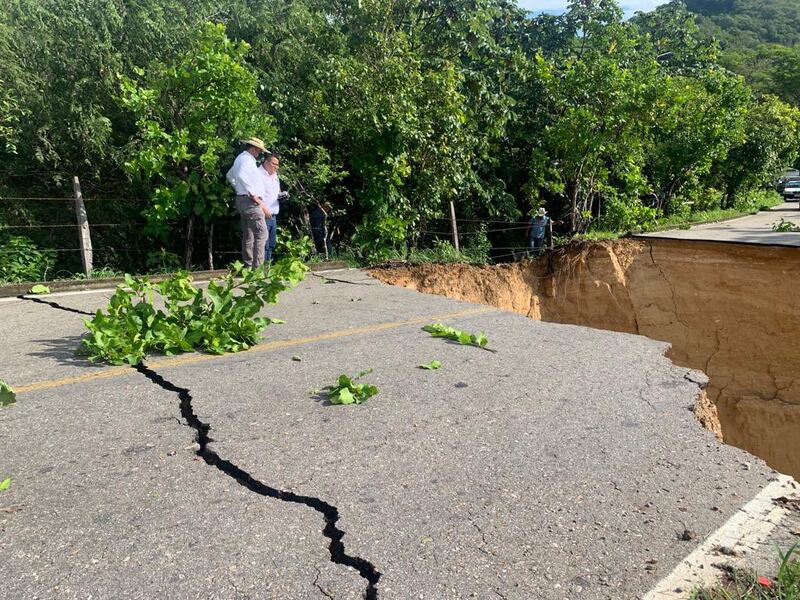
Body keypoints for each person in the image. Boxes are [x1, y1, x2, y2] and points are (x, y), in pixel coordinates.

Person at [226, 138, 269, 268]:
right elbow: (241, 176)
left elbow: (230, 175)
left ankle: (249, 265)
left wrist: (239, 189)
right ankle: (257, 267)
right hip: (250, 200)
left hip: (243, 198)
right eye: (260, 151)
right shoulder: (246, 160)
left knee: (249, 233)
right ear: (255, 149)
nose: (260, 153)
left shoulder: (241, 159)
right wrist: (254, 196)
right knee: (261, 233)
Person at [259, 151, 285, 263]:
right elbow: (254, 195)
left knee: (271, 244)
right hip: (263, 214)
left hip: (273, 214)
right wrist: (263, 209)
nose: (276, 167)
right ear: (266, 162)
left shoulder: (275, 176)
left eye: (277, 165)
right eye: (274, 164)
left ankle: (267, 267)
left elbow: (276, 192)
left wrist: (282, 195)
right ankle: (259, 269)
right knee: (263, 244)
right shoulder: (258, 174)